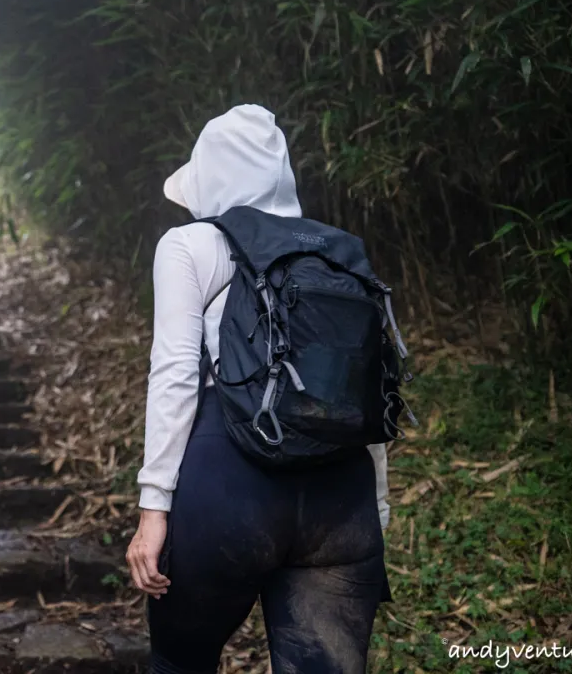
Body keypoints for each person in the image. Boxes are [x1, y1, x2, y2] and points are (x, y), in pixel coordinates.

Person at [126, 104, 392, 674]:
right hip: (341, 501)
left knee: (179, 663)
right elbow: (361, 389)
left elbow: (173, 372)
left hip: (230, 488)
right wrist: (378, 506)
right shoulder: (337, 251)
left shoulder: (190, 245)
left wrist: (154, 509)